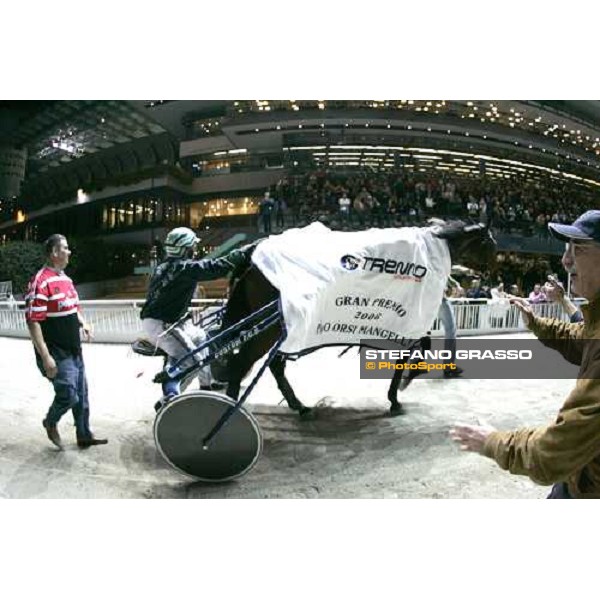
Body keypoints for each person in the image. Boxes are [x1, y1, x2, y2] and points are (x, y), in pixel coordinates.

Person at [450, 209, 600, 498]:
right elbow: (578, 338)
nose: (565, 260)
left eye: (578, 249)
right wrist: (535, 321)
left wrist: (492, 442)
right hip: (580, 474)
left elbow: (552, 454)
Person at [140, 227, 256, 409]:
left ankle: (206, 385)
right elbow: (215, 268)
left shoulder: (164, 266)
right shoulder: (183, 268)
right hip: (163, 325)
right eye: (193, 247)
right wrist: (244, 251)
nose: (195, 251)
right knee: (192, 361)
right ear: (185, 248)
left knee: (202, 338)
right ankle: (168, 399)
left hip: (168, 322)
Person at [25, 234, 108, 450]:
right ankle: (50, 421)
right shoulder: (40, 282)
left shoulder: (66, 279)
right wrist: (45, 357)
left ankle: (84, 435)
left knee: (82, 395)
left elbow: (73, 307)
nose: (69, 252)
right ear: (54, 253)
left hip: (74, 349)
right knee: (69, 395)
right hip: (56, 352)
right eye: (65, 248)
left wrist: (84, 323)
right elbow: (33, 322)